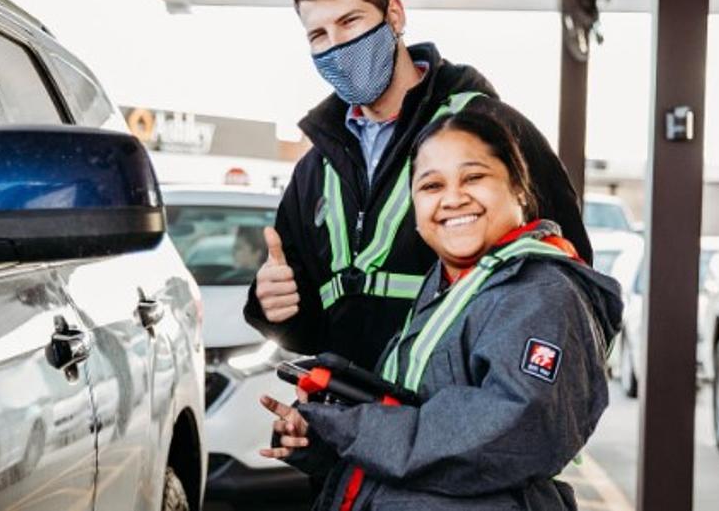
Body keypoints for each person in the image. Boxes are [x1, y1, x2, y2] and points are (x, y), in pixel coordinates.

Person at [245, 0, 592, 373]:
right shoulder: (315, 167)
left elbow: (570, 275)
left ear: (394, 16)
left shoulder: (490, 127)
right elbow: (311, 327)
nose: (336, 47)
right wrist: (274, 306)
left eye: (350, 22)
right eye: (318, 35)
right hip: (352, 418)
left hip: (459, 415)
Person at [260, 108, 623, 510]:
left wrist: (353, 428)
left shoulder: (542, 295)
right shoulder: (451, 285)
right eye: (431, 186)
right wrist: (320, 437)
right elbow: (418, 429)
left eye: (474, 177)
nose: (452, 198)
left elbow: (516, 432)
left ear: (520, 189)